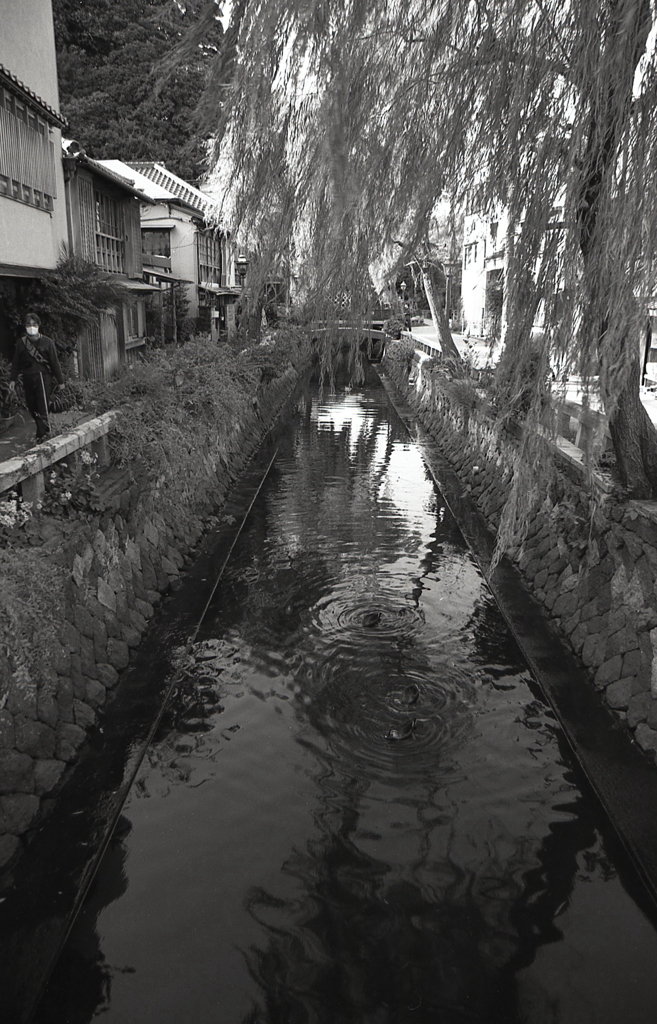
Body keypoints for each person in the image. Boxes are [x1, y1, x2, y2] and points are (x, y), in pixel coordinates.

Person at [8, 313, 65, 442]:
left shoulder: (47, 342)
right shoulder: (21, 344)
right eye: (28, 324)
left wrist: (61, 381)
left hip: (43, 379)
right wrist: (12, 379)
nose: (31, 327)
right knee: (32, 408)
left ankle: (42, 437)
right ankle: (45, 430)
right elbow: (16, 363)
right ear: (25, 326)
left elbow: (54, 363)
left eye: (34, 324)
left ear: (38, 326)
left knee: (42, 407)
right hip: (28, 379)